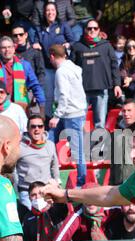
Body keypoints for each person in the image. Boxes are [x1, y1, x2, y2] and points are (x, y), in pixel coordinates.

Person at [71, 19, 122, 129]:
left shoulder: (106, 45)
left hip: (101, 89)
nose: (92, 30)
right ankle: (82, 145)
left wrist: (117, 84)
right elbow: (71, 69)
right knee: (80, 124)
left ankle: (99, 146)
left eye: (95, 28)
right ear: (85, 30)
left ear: (99, 30)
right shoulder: (77, 46)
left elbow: (114, 65)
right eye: (89, 28)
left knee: (100, 124)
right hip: (81, 91)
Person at [48, 44, 87, 187]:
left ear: (52, 56)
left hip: (71, 114)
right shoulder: (73, 67)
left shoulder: (61, 72)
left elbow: (64, 95)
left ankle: (81, 183)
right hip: (70, 113)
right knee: (49, 141)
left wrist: (56, 116)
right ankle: (52, 176)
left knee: (77, 151)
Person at [37, 2, 75, 120]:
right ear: (44, 13)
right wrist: (35, 44)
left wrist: (68, 44)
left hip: (62, 67)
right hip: (47, 67)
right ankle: (49, 122)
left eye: (52, 10)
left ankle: (64, 119)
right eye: (48, 10)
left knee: (63, 94)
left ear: (56, 12)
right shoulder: (40, 28)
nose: (50, 13)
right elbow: (36, 42)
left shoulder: (63, 25)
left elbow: (73, 41)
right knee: (48, 96)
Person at [16, 115, 60, 210]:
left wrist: (57, 181)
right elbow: (11, 168)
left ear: (44, 128)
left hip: (45, 190)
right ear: (27, 129)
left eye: (40, 126)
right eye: (33, 126)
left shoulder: (50, 145)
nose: (37, 129)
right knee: (31, 218)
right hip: (27, 191)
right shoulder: (19, 147)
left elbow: (54, 165)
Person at [109, 101, 135, 186]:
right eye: (124, 111)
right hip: (119, 184)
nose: (126, 114)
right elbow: (113, 162)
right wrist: (111, 184)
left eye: (129, 110)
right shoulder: (117, 134)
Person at [12, 23, 46, 91]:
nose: (18, 37)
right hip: (14, 90)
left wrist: (38, 89)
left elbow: (41, 72)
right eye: (15, 35)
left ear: (26, 35)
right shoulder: (10, 52)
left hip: (31, 89)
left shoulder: (35, 51)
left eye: (21, 34)